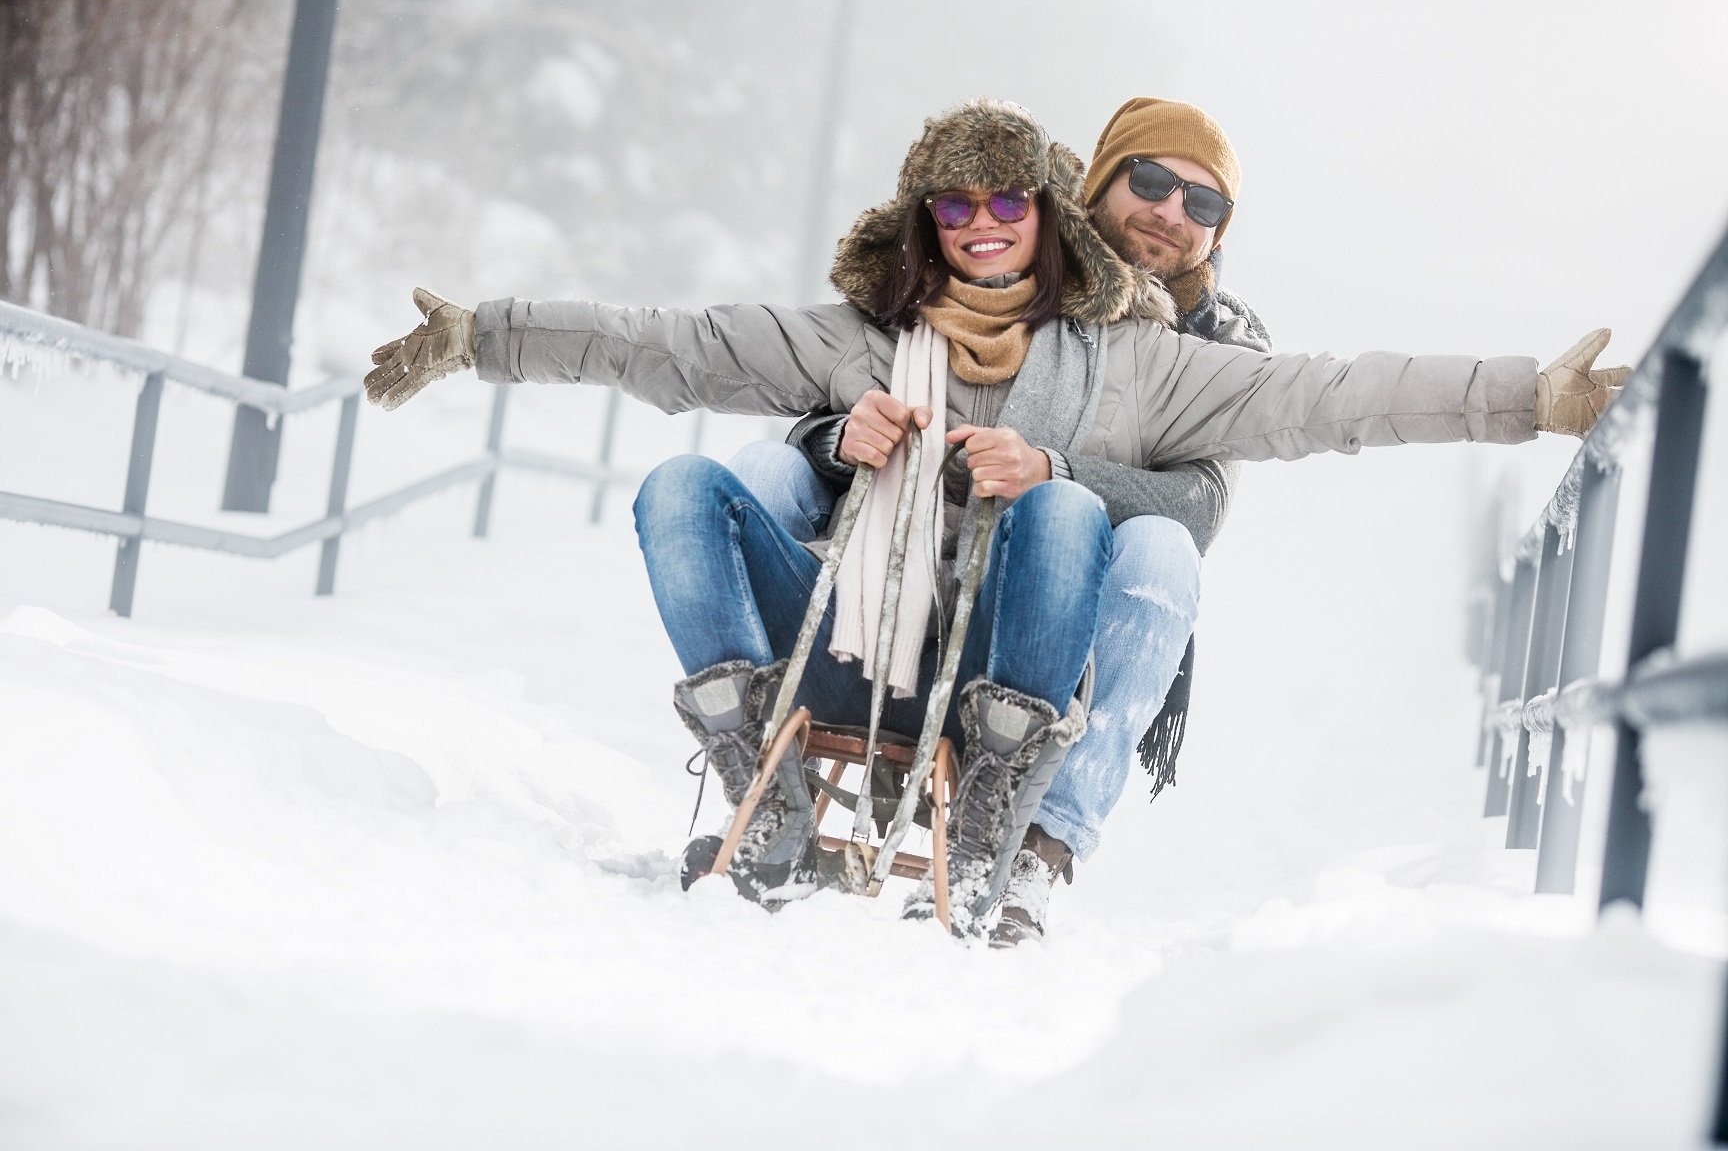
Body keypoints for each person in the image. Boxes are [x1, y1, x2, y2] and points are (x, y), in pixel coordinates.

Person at [363, 98, 1625, 941]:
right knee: (681, 487)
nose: (981, 225)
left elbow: (1334, 398)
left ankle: (1014, 818)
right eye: (954, 207)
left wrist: (1532, 398)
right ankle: (769, 781)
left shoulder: (1143, 359)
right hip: (855, 634)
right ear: (923, 220)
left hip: (1002, 666)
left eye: (1006, 204)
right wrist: (483, 335)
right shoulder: (860, 336)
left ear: (1045, 216)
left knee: (1073, 511)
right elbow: (679, 347)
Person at [731, 97, 1271, 945]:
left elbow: (1202, 504)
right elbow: (838, 380)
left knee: (1163, 548)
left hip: (1066, 601)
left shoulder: (1221, 344)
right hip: (899, 557)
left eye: (1203, 204)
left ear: (1220, 233)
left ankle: (1037, 851)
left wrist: (1052, 474)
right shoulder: (1003, 244)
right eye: (1154, 180)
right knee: (761, 470)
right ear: (1099, 180)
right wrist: (839, 435)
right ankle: (760, 786)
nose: (1171, 212)